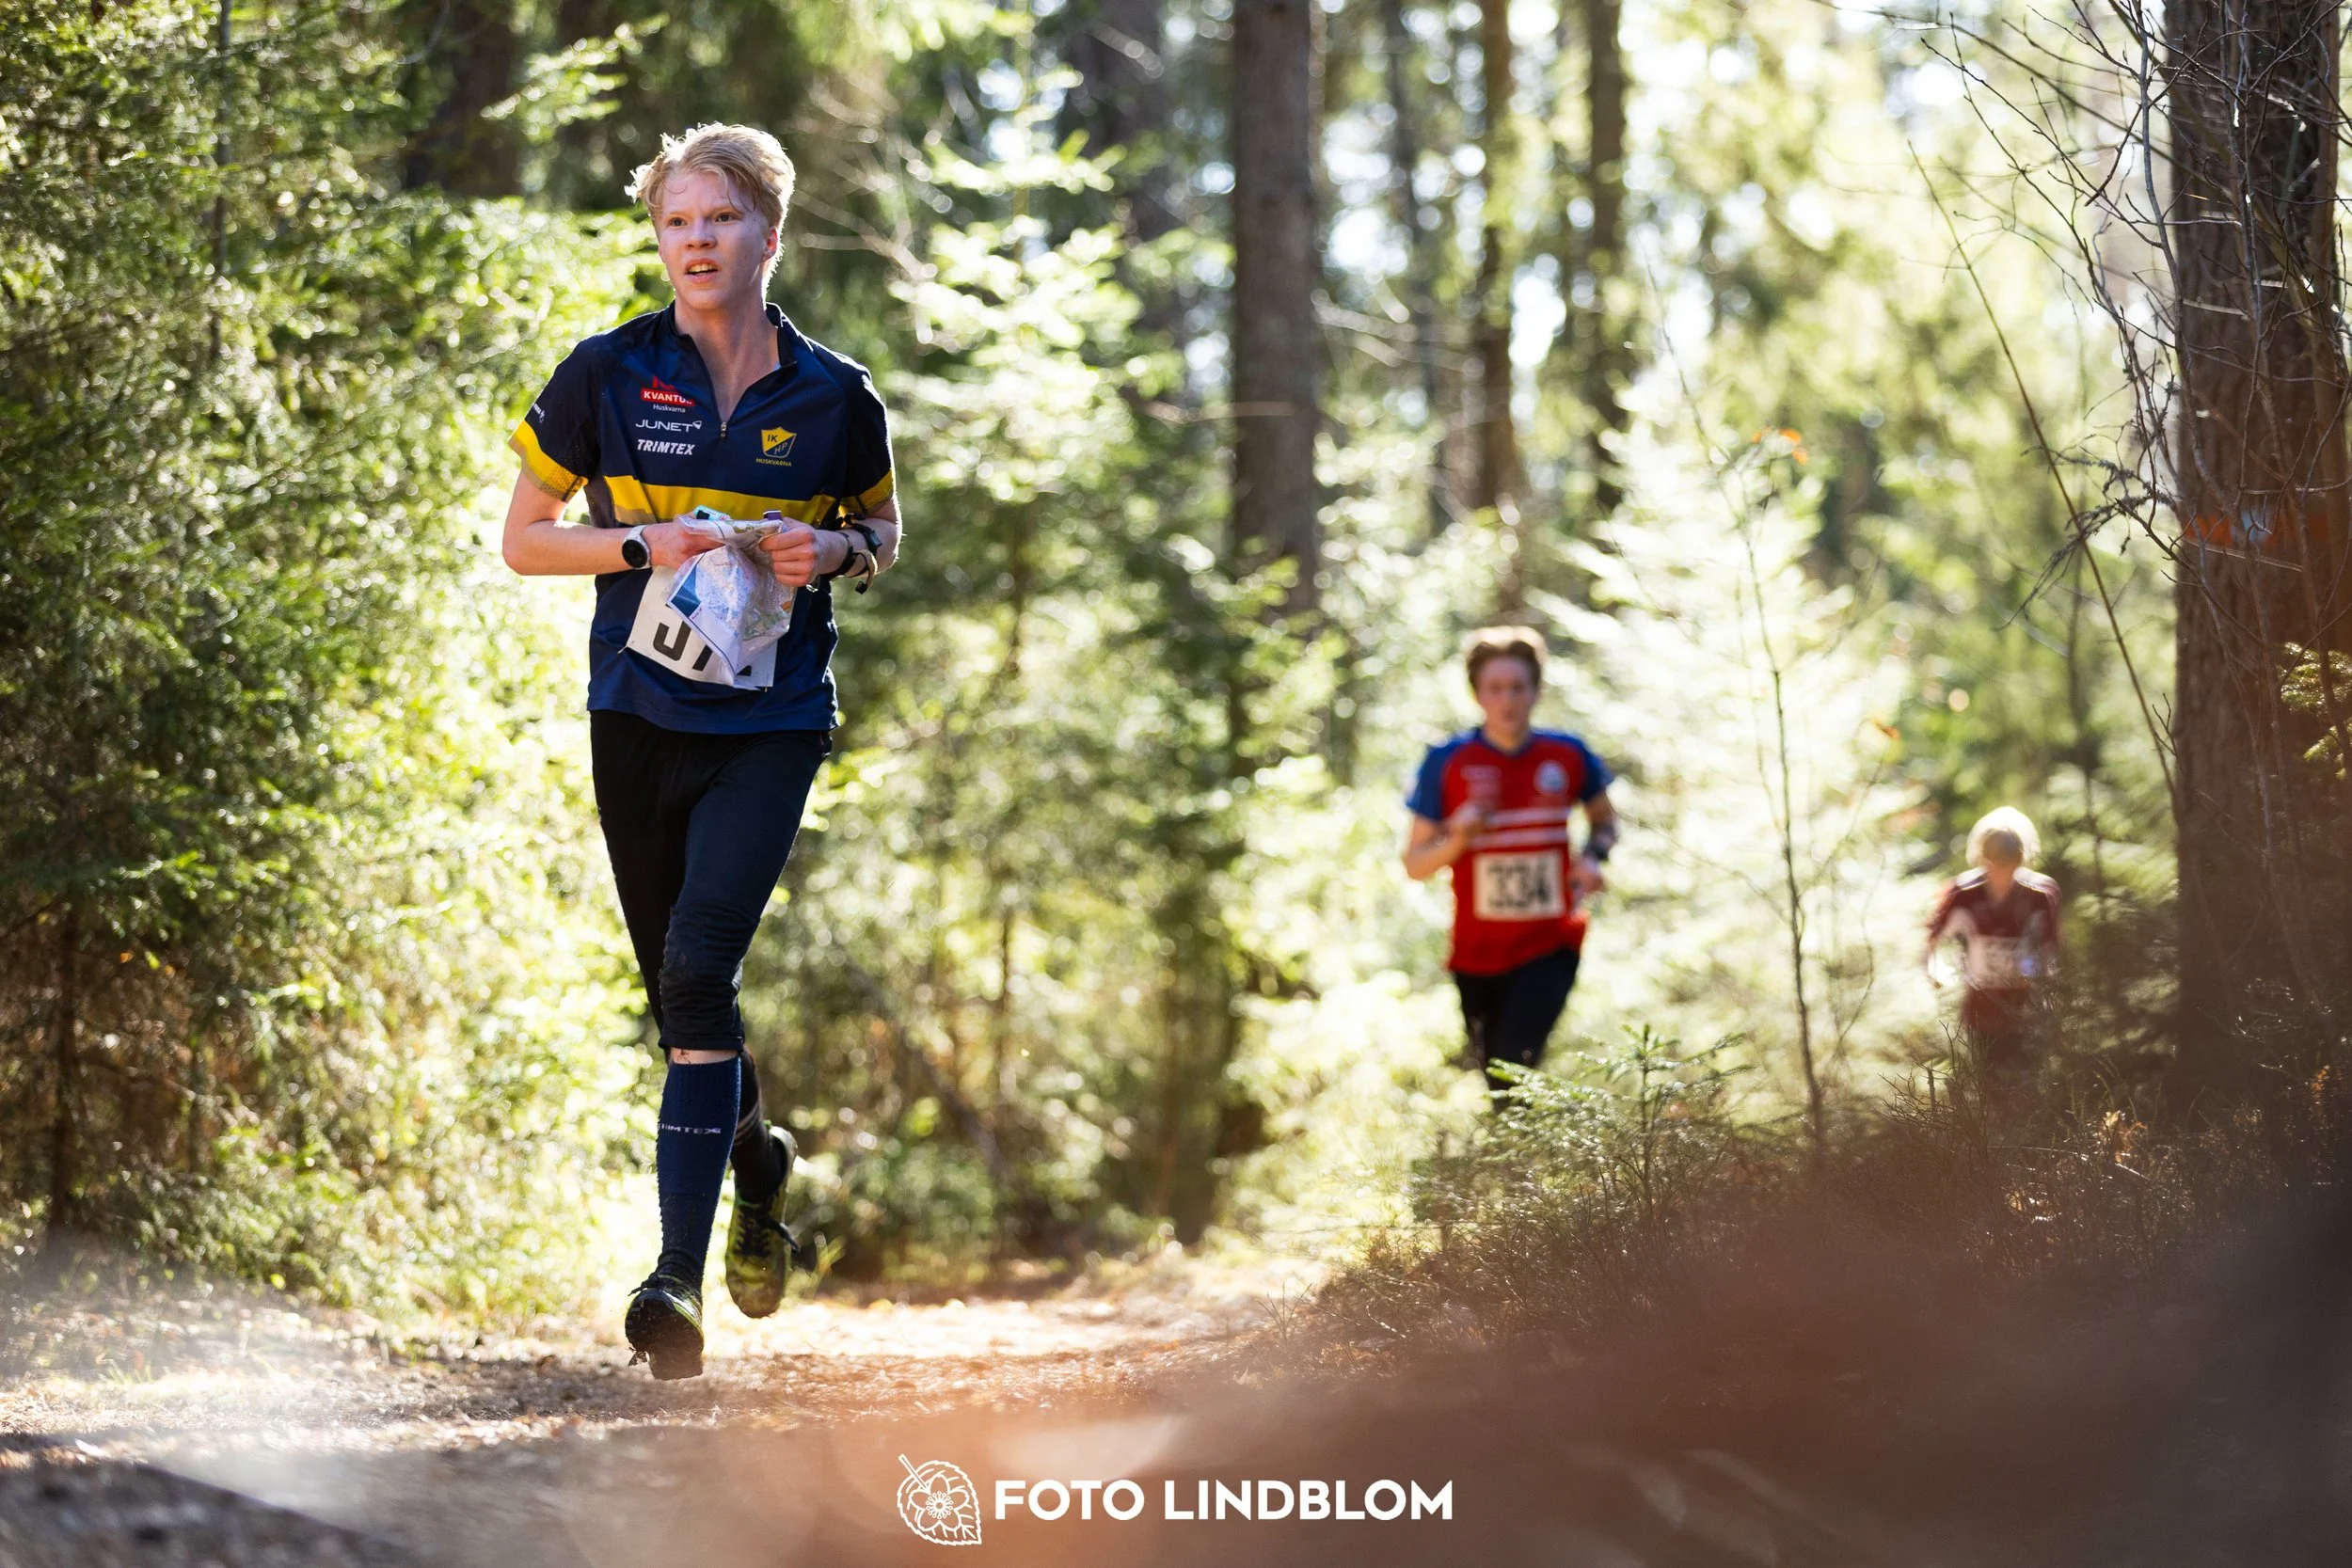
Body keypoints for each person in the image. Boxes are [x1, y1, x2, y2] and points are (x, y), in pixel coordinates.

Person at [500, 123, 900, 1379]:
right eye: (676, 222)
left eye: (718, 220)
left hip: (773, 718)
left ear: (767, 235)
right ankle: (754, 1155)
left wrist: (831, 553)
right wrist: (641, 549)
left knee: (696, 960)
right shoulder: (607, 373)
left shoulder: (836, 394)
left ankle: (675, 1276)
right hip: (637, 713)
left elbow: (883, 530)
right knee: (681, 994)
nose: (695, 242)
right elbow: (524, 538)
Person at [1405, 627, 1618, 1093]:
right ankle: (1514, 1163)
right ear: (1478, 695)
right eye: (1495, 688)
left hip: (1550, 941)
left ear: (1536, 692)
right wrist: (1458, 833)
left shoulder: (1566, 754)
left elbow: (1604, 820)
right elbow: (1415, 864)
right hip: (1475, 953)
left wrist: (1593, 857)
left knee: (1513, 1070)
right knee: (1497, 1080)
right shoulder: (1447, 762)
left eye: (1518, 687)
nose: (1508, 699)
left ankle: (1525, 1166)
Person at [1924, 807, 2061, 1095]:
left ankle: (2025, 1133)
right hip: (1981, 1002)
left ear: (2021, 860)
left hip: (2025, 1002)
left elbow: (2050, 949)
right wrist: (1935, 973)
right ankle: (1991, 1135)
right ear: (1983, 860)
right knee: (1989, 1079)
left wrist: (2038, 978)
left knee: (2026, 1080)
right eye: (1995, 864)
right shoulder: (1963, 894)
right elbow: (1932, 940)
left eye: (2010, 864)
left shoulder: (2039, 896)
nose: (2002, 872)